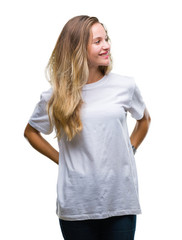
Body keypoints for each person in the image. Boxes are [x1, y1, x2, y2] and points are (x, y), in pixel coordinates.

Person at [23, 15, 151, 240]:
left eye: (106, 39)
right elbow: (31, 132)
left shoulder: (125, 86)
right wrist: (61, 159)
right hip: (76, 205)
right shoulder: (56, 95)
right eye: (98, 41)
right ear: (78, 49)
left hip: (120, 201)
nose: (107, 46)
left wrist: (130, 149)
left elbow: (144, 120)